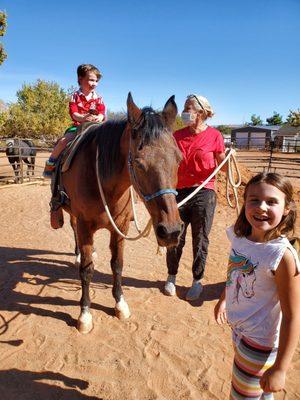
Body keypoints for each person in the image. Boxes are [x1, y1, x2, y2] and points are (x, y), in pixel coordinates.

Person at [214, 172, 300, 399]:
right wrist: (224, 299)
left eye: (272, 202)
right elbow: (235, 273)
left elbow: (292, 316)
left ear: (287, 209)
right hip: (240, 332)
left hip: (259, 344)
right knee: (258, 393)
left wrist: (280, 369)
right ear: (245, 204)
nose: (261, 207)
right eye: (254, 200)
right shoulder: (239, 237)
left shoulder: (281, 256)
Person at [164, 94, 227, 301]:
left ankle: (197, 281)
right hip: (179, 192)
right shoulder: (177, 136)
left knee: (200, 238)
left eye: (188, 108)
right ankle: (171, 277)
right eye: (184, 107)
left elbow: (222, 165)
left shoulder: (215, 136)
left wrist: (228, 158)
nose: (184, 112)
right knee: (175, 237)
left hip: (204, 191)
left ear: (200, 112)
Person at [43, 63, 106, 177]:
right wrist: (83, 118)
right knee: (63, 141)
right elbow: (74, 113)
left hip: (96, 127)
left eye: (96, 81)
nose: (94, 84)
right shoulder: (75, 96)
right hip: (79, 126)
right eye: (91, 80)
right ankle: (50, 163)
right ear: (80, 79)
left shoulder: (98, 98)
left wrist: (100, 117)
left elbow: (102, 111)